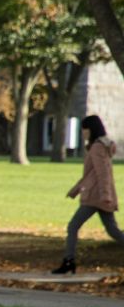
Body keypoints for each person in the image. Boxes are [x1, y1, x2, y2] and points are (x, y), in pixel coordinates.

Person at [54, 115, 124, 273]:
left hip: (95, 197)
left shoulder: (97, 148)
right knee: (113, 231)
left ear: (91, 130)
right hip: (98, 195)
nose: (83, 133)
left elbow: (103, 173)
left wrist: (106, 195)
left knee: (73, 226)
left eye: (84, 129)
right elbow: (91, 175)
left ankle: (69, 261)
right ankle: (68, 261)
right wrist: (75, 189)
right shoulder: (98, 147)